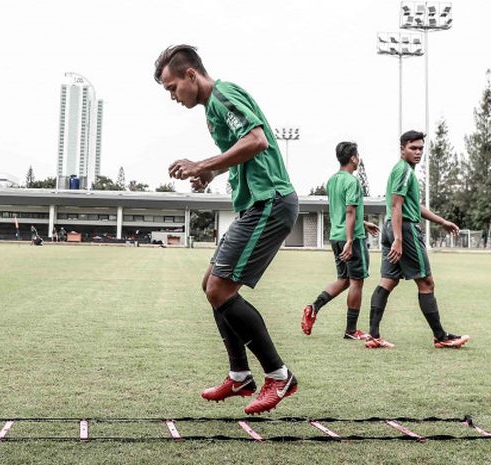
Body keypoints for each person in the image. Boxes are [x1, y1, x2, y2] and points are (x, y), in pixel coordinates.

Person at [154, 44, 299, 415]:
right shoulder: (213, 109)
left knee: (220, 288)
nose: (172, 97)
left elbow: (256, 141)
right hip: (255, 203)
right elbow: (243, 151)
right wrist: (211, 172)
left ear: (191, 75)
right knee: (211, 285)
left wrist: (201, 162)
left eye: (172, 88)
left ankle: (279, 376)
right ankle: (239, 376)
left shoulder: (223, 95)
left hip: (270, 202)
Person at [365, 130, 470, 349]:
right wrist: (399, 239)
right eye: (413, 148)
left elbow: (413, 205)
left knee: (388, 281)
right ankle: (441, 337)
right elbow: (397, 205)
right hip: (403, 229)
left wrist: (441, 221)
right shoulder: (404, 171)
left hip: (390, 227)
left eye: (421, 148)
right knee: (426, 282)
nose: (418, 152)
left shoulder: (404, 171)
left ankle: (373, 336)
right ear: (402, 149)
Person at [302, 142, 379, 340]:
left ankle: (314, 307)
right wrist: (351, 239)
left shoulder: (332, 181)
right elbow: (349, 210)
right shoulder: (352, 182)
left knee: (343, 280)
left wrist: (363, 223)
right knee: (356, 282)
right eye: (358, 154)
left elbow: (344, 211)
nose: (359, 157)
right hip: (349, 239)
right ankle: (351, 331)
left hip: (336, 236)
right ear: (353, 158)